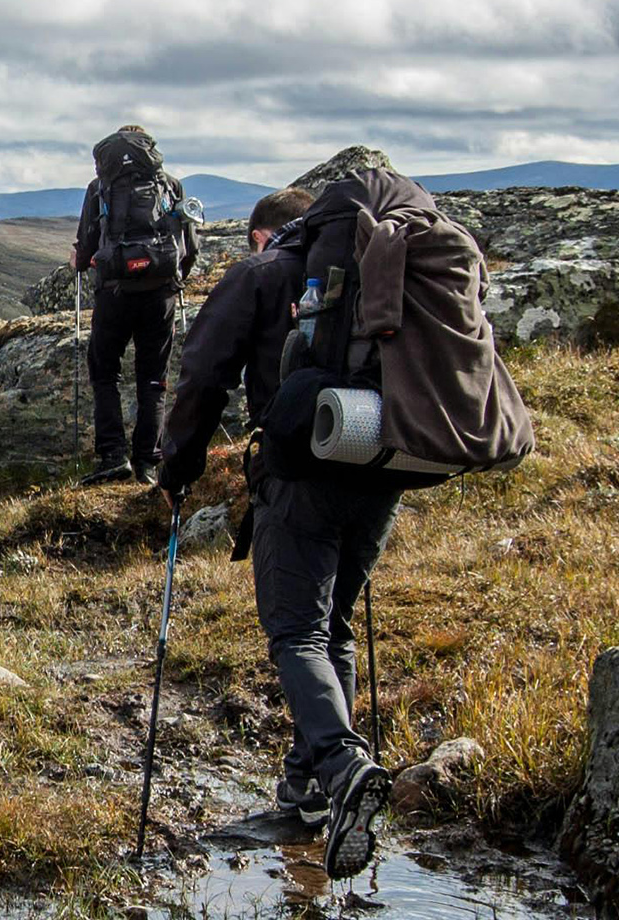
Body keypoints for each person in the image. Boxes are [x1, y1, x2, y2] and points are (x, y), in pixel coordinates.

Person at [151, 183, 392, 878]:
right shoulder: (379, 269)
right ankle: (309, 789)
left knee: (297, 631)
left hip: (302, 470)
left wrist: (177, 467)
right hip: (381, 459)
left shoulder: (262, 272)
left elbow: (201, 375)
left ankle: (343, 770)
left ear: (268, 235)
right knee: (332, 625)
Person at [70, 126, 198, 485]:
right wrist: (177, 280)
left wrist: (78, 262)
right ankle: (147, 464)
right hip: (160, 294)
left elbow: (86, 247)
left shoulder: (99, 188)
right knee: (153, 378)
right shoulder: (170, 185)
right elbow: (189, 246)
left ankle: (112, 456)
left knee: (105, 370)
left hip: (114, 294)